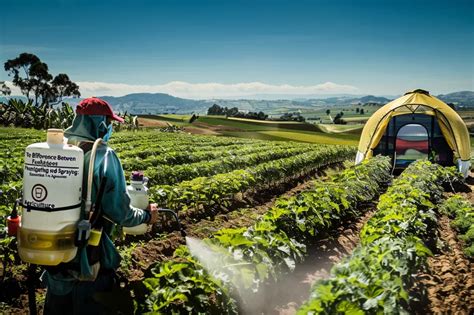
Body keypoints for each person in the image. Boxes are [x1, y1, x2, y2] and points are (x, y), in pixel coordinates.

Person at [42, 97, 159, 314]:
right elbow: (120, 212)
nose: (110, 127)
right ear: (100, 124)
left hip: (54, 262)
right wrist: (146, 216)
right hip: (88, 265)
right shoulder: (103, 156)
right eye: (109, 122)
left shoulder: (58, 153)